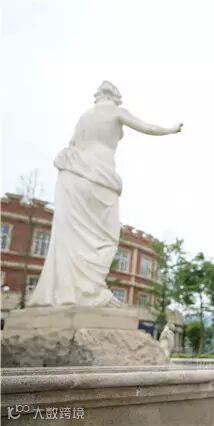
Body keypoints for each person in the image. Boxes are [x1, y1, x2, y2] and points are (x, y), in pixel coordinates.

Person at [27, 81, 182, 308]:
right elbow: (147, 127)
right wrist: (170, 129)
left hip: (72, 174)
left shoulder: (85, 117)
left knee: (73, 236)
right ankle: (90, 290)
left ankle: (68, 292)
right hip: (100, 174)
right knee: (107, 237)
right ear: (115, 97)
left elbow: (73, 144)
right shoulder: (117, 112)